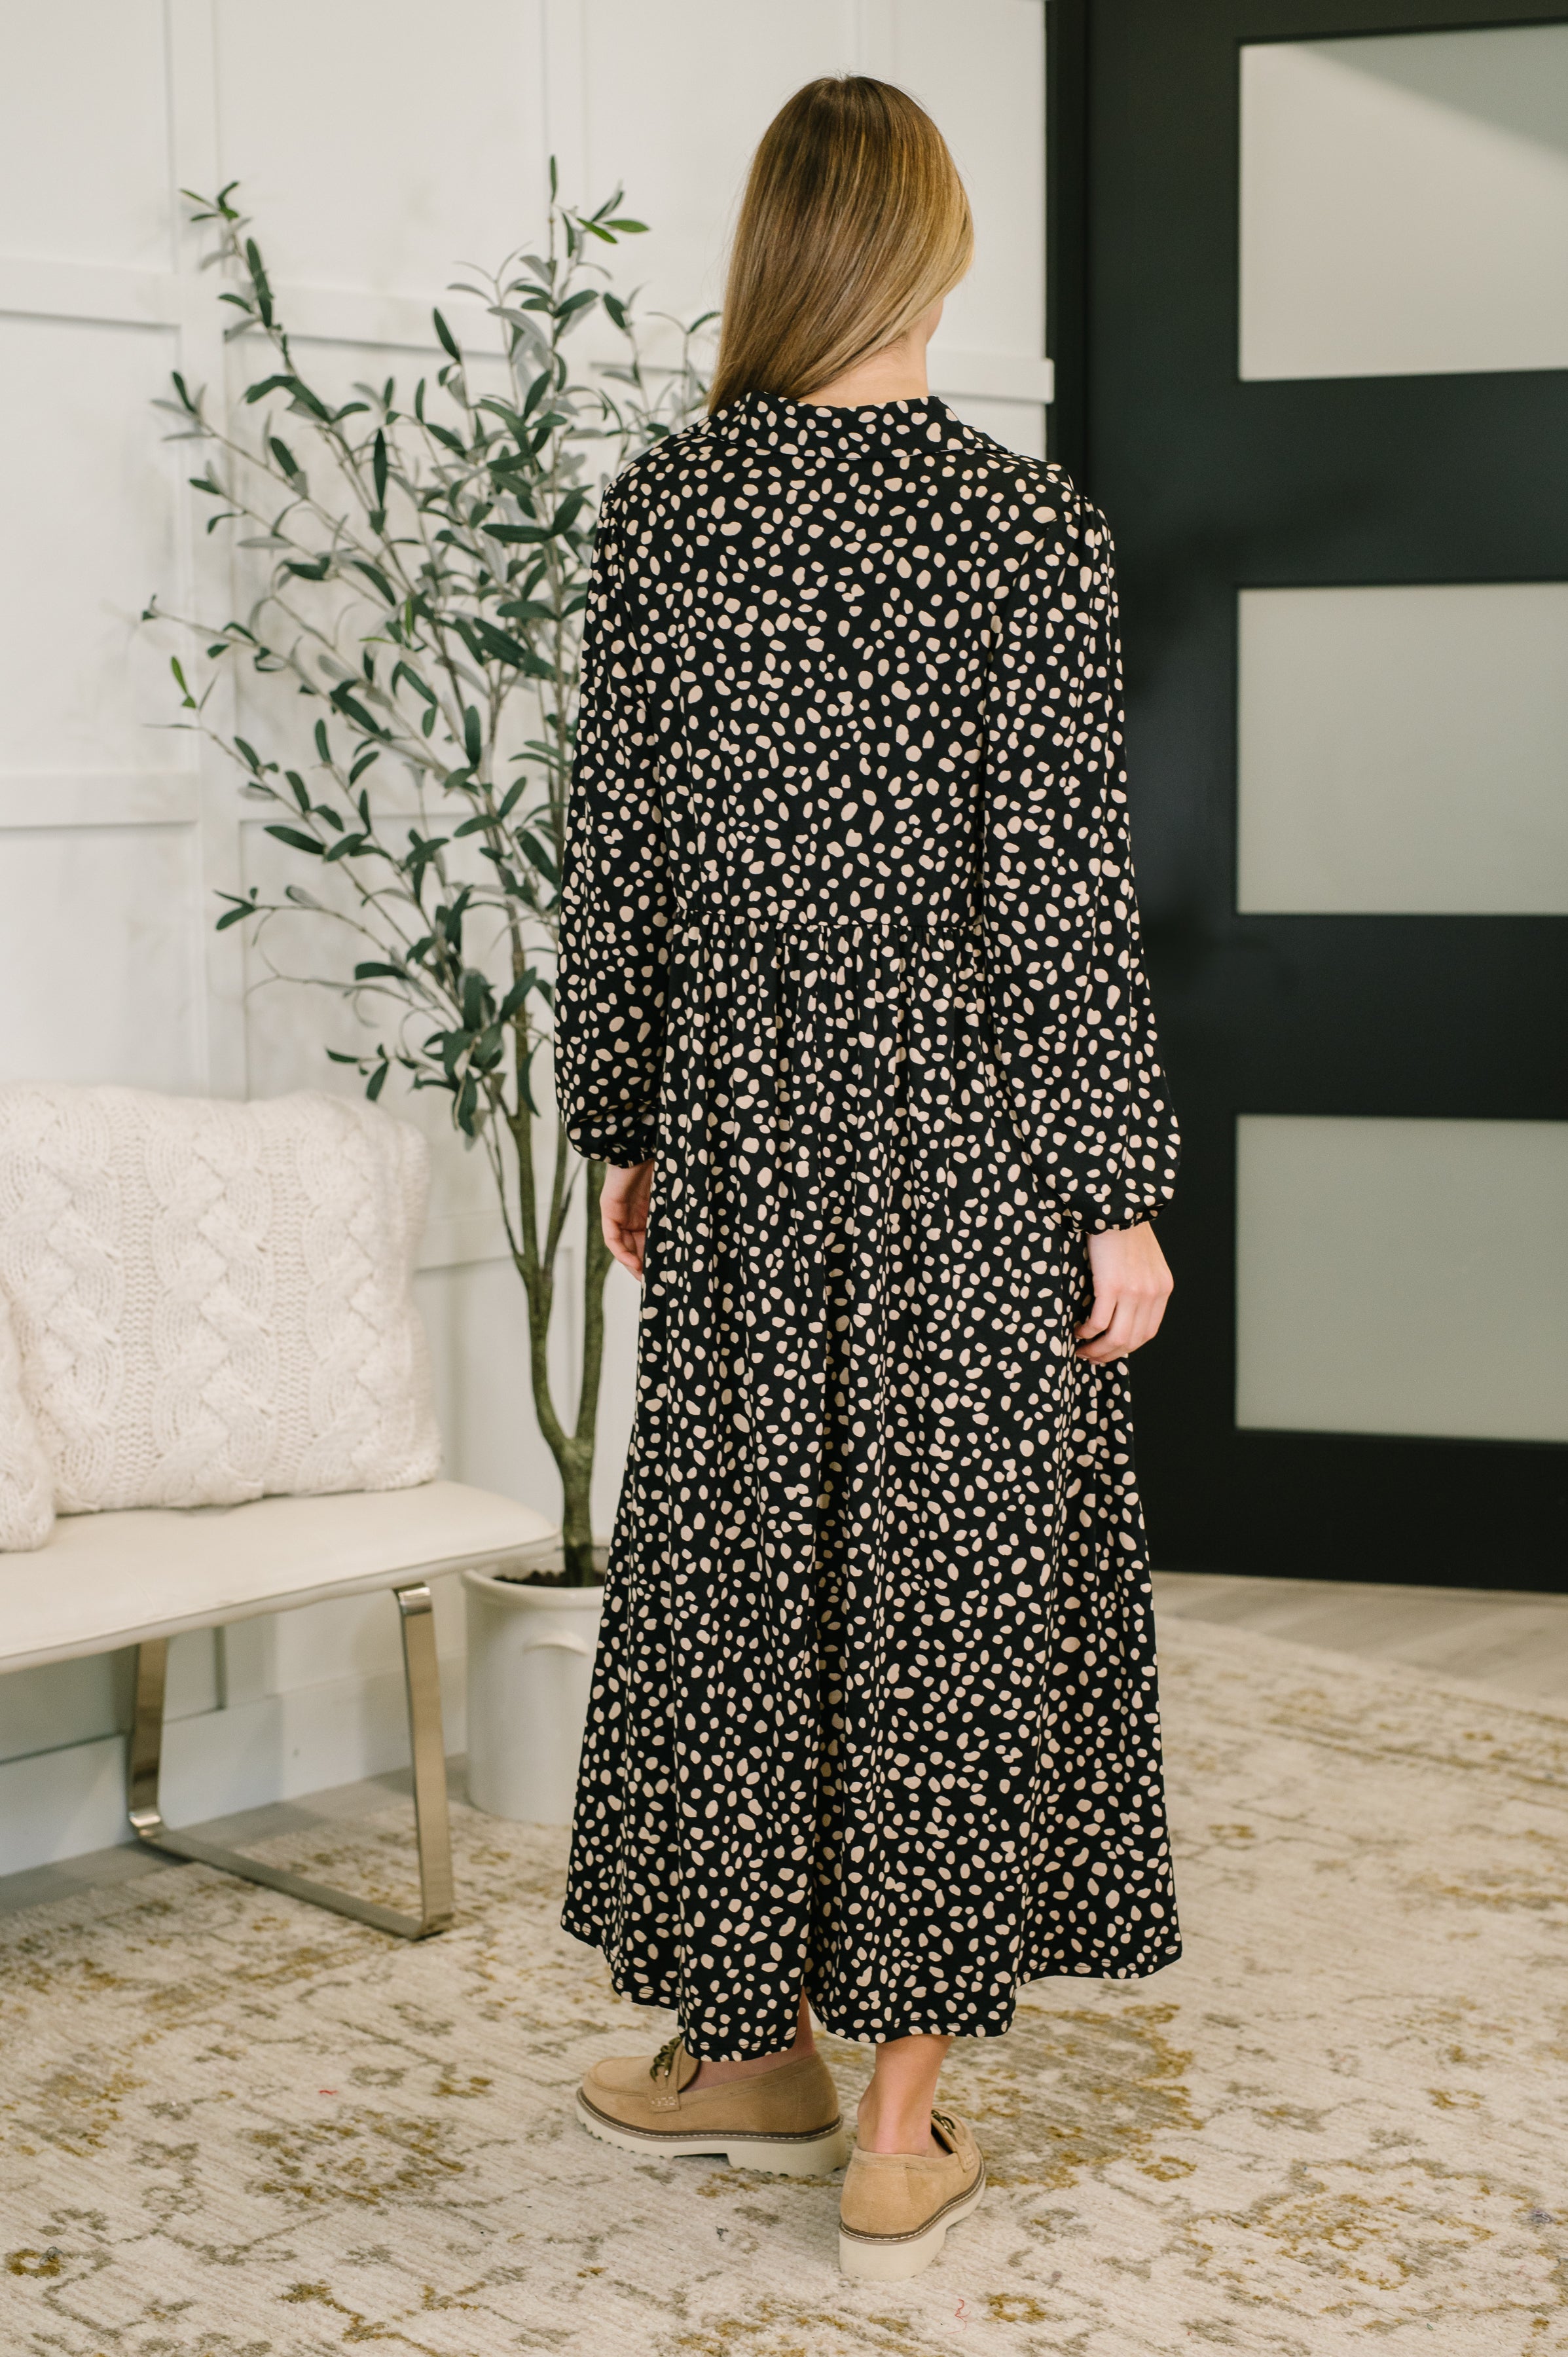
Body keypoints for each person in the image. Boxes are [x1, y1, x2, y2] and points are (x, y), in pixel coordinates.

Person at [554, 73, 1180, 2283]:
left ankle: (752, 2049)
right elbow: (1061, 892)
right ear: (935, 252)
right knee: (946, 1596)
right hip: (971, 1152)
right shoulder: (1023, 529)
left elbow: (614, 865)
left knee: (746, 1584)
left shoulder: (665, 514)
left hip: (744, 1142)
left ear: (773, 248)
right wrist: (1115, 1186)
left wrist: (626, 1122)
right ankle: (891, 2129)